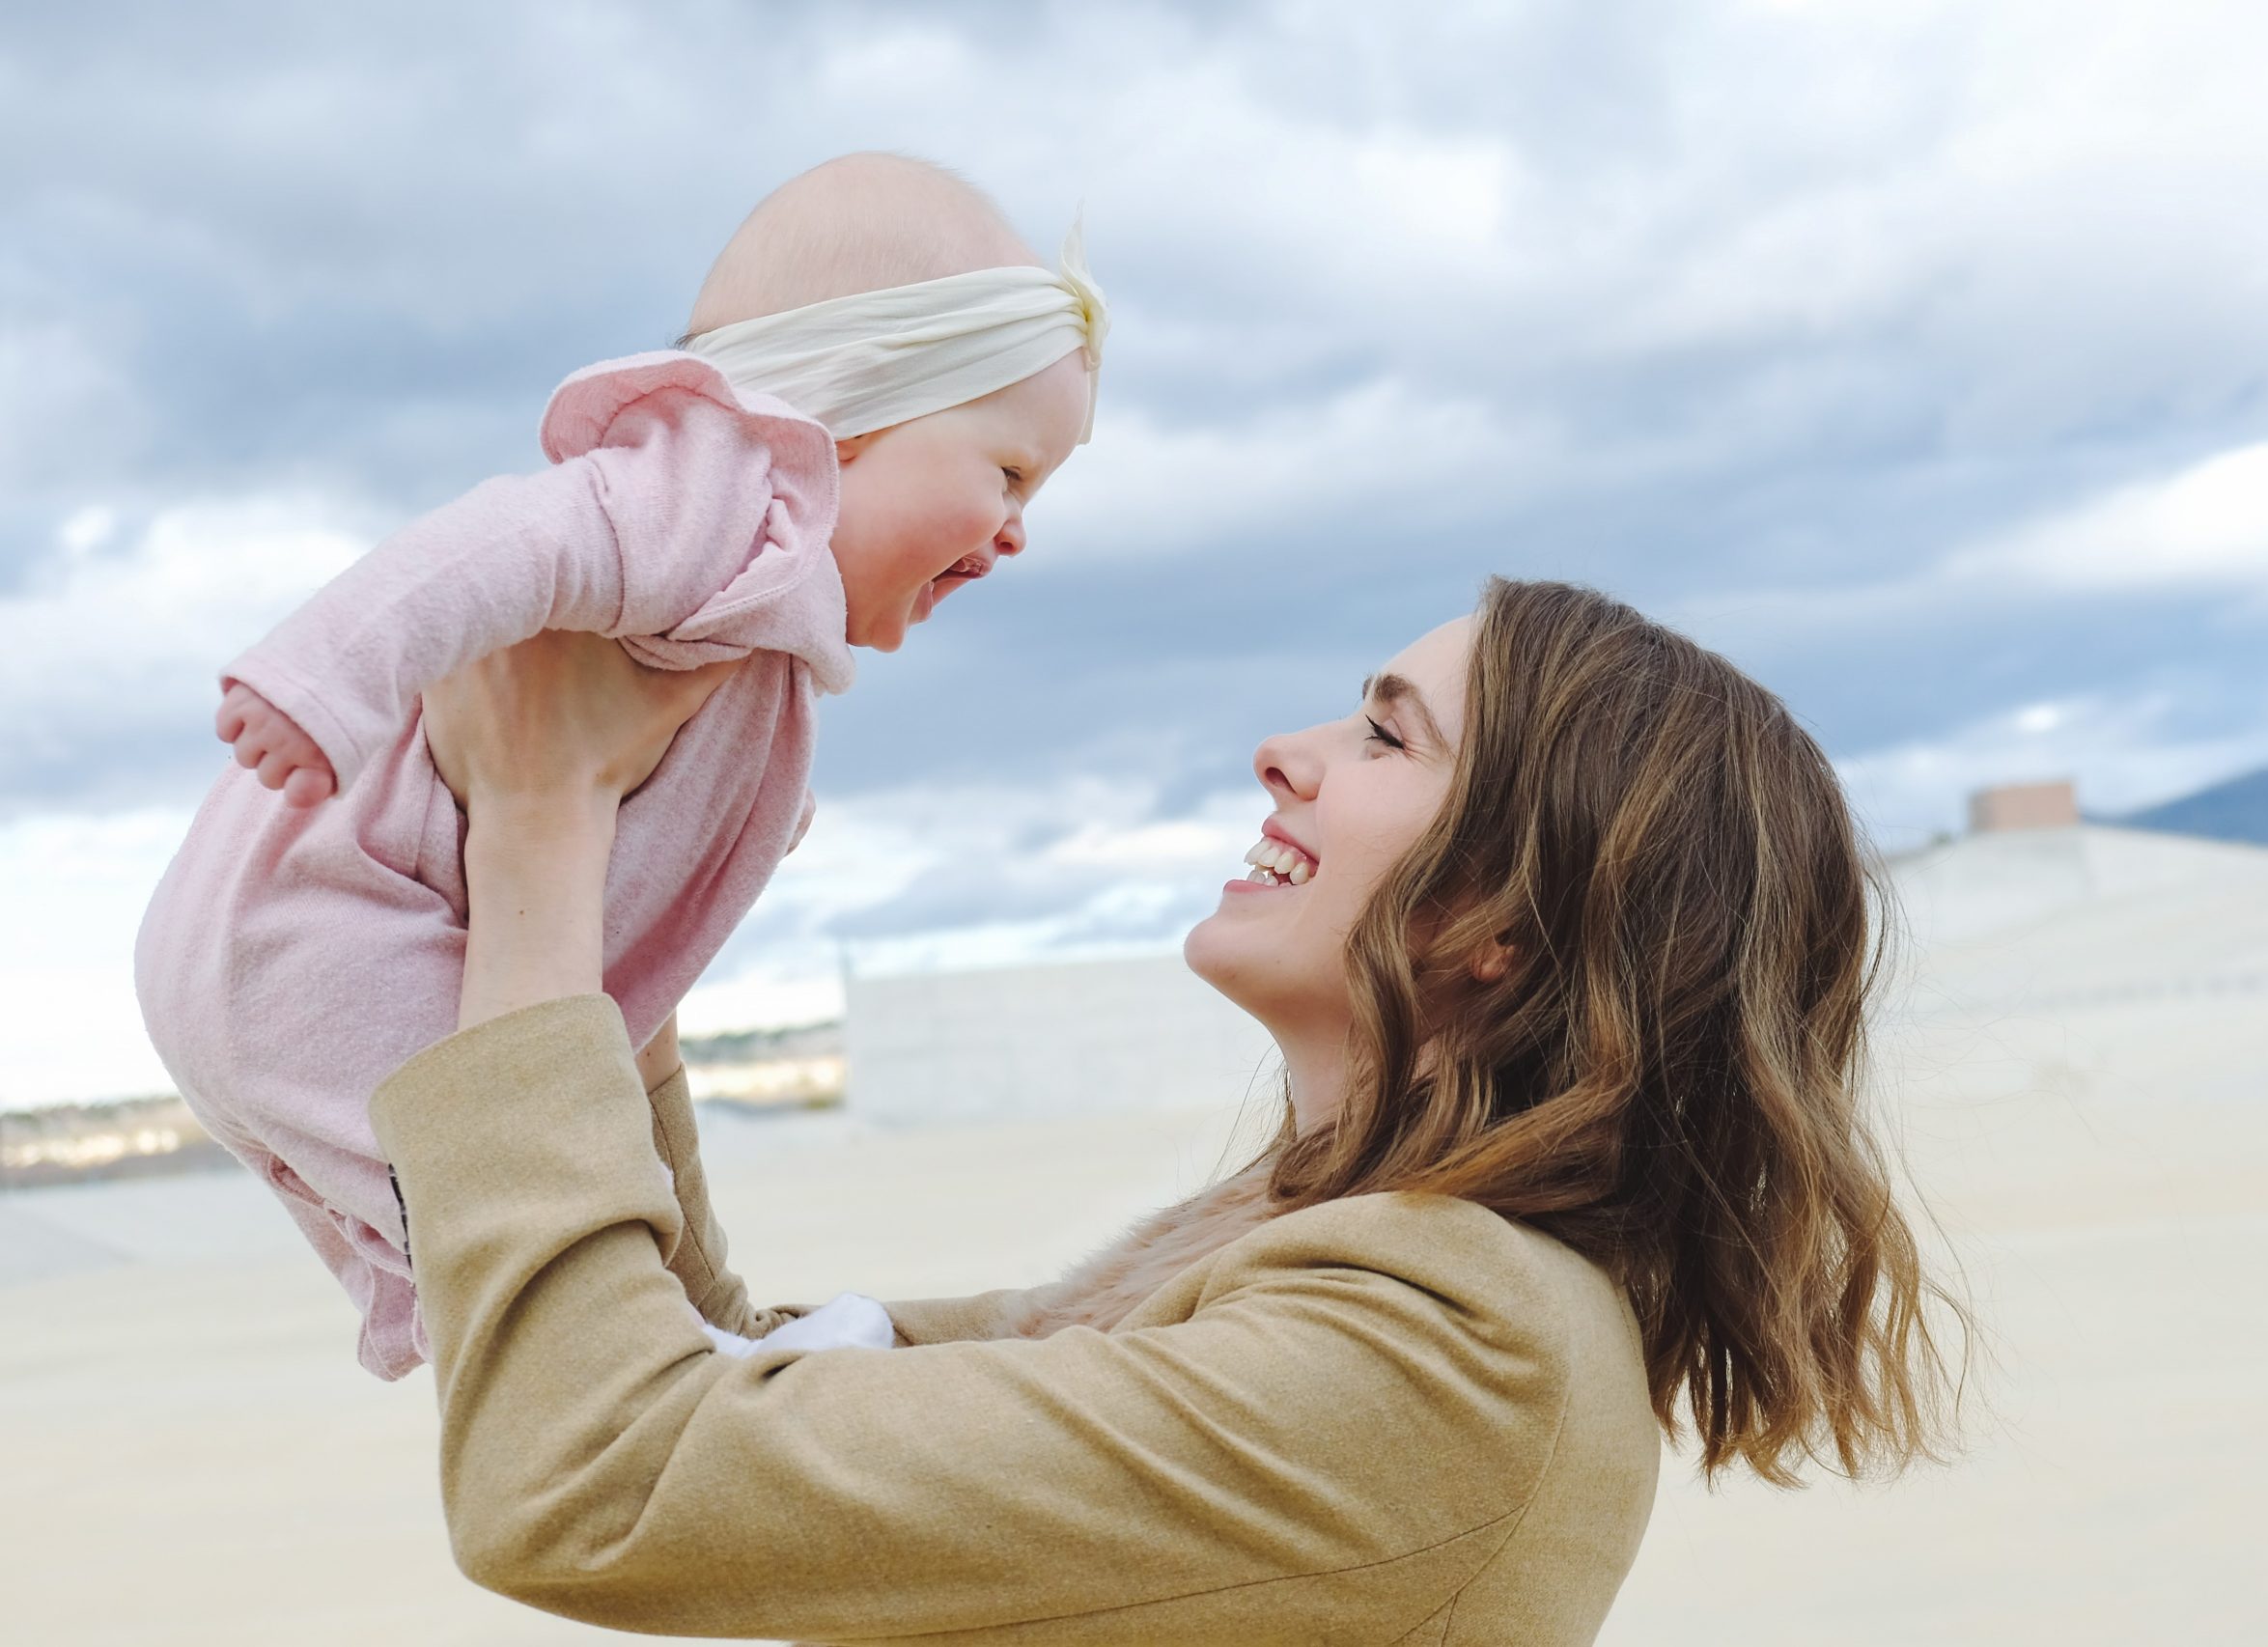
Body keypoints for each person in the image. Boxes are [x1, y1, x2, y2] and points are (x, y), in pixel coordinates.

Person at [373, 574, 1971, 1642]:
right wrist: (634, 891)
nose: (1285, 754)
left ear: (1510, 921)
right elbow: (753, 1390)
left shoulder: (1441, 1349)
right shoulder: (1325, 1259)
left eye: (1385, 734)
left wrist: (535, 830)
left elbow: (594, 1473)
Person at [131, 154, 1105, 1378]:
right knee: (507, 1184)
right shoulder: (713, 495)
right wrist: (320, 682)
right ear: (851, 411)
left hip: (293, 957)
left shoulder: (763, 617)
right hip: (318, 935)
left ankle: (501, 1317)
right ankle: (645, 1357)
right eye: (1008, 473)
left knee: (501, 1170)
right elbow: (505, 540)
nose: (1018, 530)